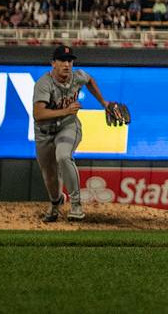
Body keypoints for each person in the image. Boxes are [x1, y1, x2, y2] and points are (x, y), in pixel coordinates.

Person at [32, 47, 117, 222]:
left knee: (63, 156)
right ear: (53, 63)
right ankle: (56, 202)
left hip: (68, 126)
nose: (66, 64)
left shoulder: (77, 76)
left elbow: (90, 80)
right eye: (62, 60)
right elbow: (38, 114)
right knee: (49, 174)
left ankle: (76, 204)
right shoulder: (44, 83)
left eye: (69, 61)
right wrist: (66, 110)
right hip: (44, 132)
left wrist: (103, 102)